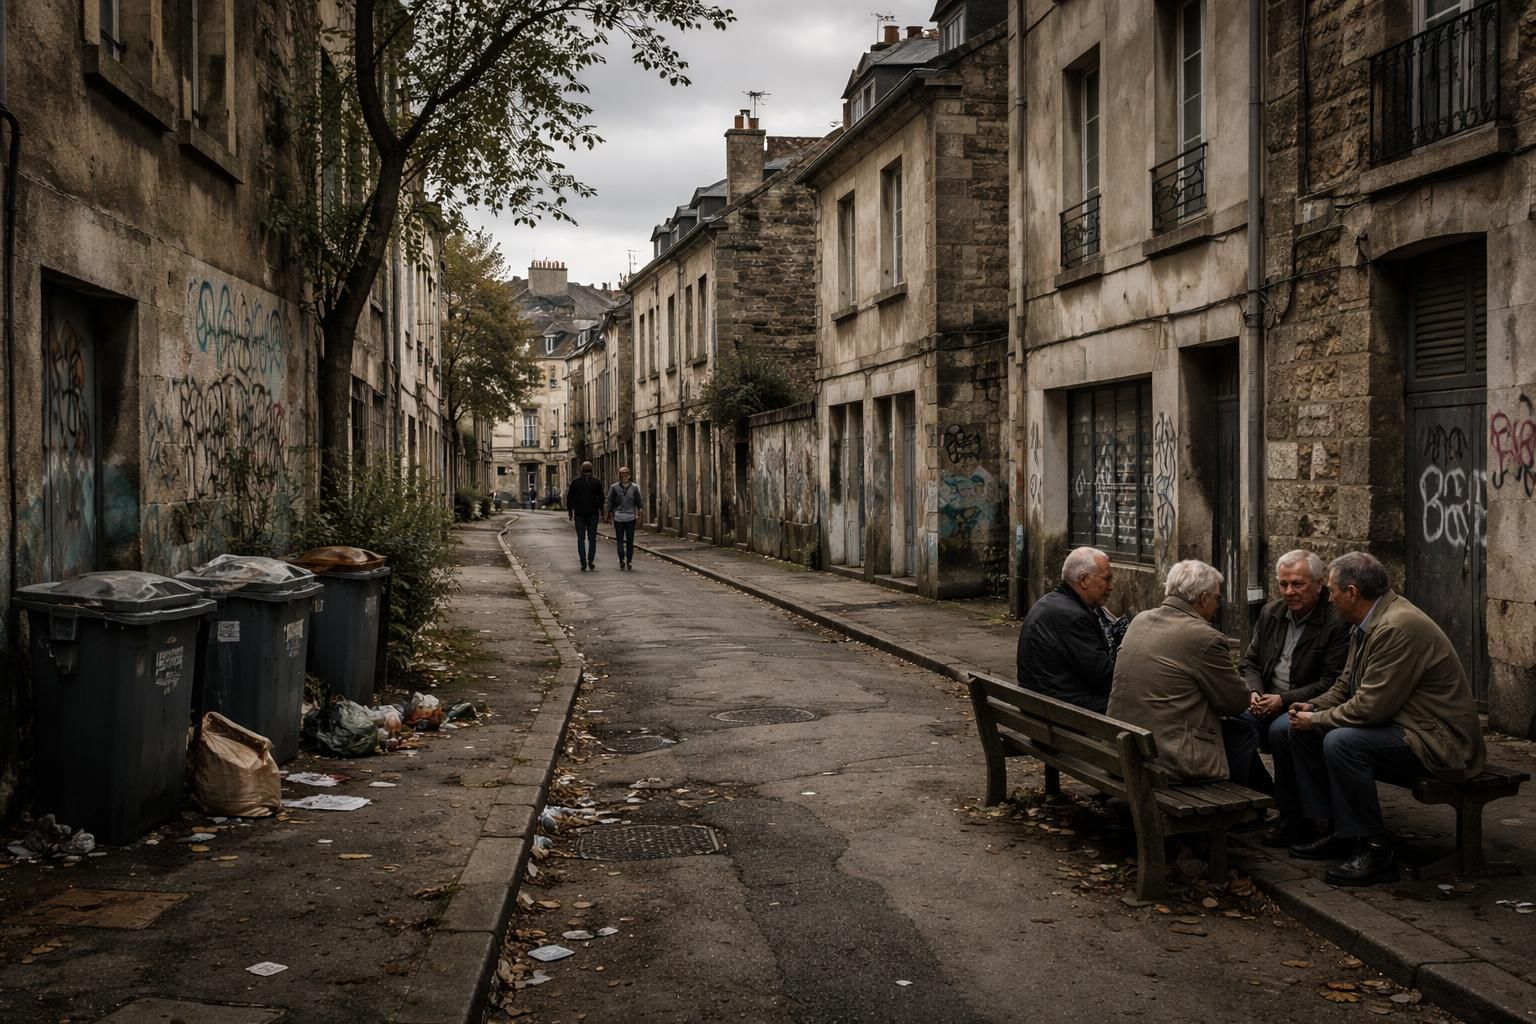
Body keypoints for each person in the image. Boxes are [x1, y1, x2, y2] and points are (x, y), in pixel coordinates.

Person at [1268, 551, 1485, 887]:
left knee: (1343, 742)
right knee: (1287, 728)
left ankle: (1374, 849)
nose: (1330, 597)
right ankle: (1333, 828)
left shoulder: (1396, 627)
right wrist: (1310, 708)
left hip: (1438, 740)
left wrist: (1319, 719)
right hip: (1402, 726)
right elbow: (1344, 687)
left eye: (1332, 590)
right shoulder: (1365, 623)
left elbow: (1370, 708)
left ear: (1352, 592)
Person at [1108, 560, 1264, 789]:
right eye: (1217, 599)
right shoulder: (1204, 637)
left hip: (1123, 748)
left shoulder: (1140, 619)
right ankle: (1244, 807)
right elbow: (1236, 702)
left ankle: (1268, 795)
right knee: (1243, 731)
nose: (1217, 606)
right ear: (1203, 598)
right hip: (1166, 759)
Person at [1239, 549, 1352, 844]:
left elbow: (1333, 681)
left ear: (1318, 584)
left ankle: (1295, 817)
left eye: (1298, 584)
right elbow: (1250, 662)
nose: (1289, 591)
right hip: (1267, 699)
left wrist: (1284, 700)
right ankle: (1259, 799)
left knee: (1282, 731)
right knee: (1235, 723)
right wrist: (1254, 691)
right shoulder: (1271, 613)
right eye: (1283, 584)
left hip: (1307, 705)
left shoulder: (1335, 622)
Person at [1016, 547, 1124, 714]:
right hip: (1062, 711)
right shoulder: (1072, 617)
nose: (1111, 586)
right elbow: (1105, 677)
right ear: (1083, 580)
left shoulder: (1050, 602)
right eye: (1107, 579)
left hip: (1041, 704)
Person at [565, 462, 606, 571]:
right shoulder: (596, 482)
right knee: (592, 539)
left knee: (581, 538)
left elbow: (570, 498)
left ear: (581, 470)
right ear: (592, 470)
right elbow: (602, 498)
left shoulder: (575, 482)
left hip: (579, 514)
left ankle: (583, 561)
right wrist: (601, 510)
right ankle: (590, 560)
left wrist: (570, 511)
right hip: (593, 514)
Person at [607, 467, 643, 570]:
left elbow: (610, 502)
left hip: (620, 517)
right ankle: (629, 561)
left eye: (625, 475)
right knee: (630, 541)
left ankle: (622, 560)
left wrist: (609, 515)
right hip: (629, 518)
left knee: (620, 540)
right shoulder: (634, 488)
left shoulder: (614, 487)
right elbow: (639, 503)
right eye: (623, 475)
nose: (624, 477)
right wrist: (640, 515)